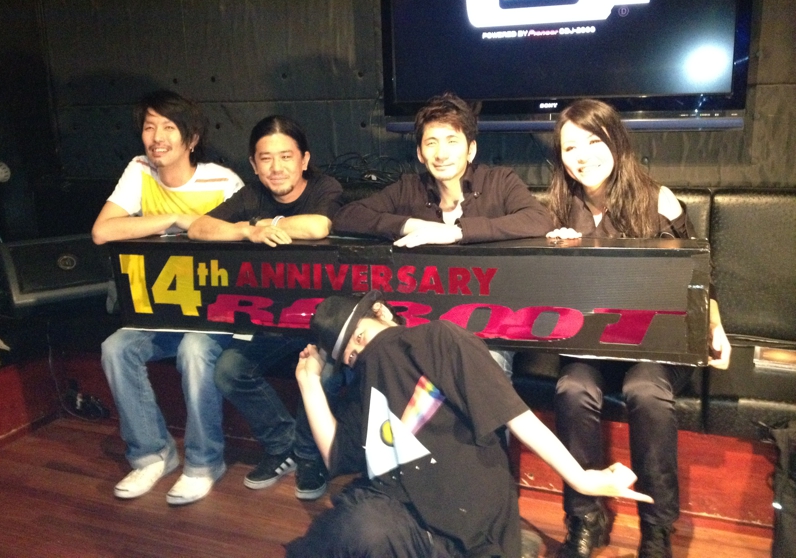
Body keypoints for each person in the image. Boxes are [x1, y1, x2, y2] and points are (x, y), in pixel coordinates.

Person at [286, 290, 652, 558]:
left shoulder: (437, 339)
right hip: (401, 513)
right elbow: (338, 454)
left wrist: (581, 478)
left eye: (362, 336)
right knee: (352, 529)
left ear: (381, 312)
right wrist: (308, 381)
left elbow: (514, 414)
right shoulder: (363, 386)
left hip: (470, 522)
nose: (364, 352)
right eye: (352, 354)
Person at [545, 99, 732, 558]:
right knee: (572, 388)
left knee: (646, 390)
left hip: (654, 345)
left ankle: (657, 528)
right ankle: (585, 518)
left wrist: (715, 325)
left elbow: (697, 277)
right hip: (591, 345)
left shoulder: (657, 199)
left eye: (594, 141)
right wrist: (554, 251)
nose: (583, 156)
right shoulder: (556, 209)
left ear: (616, 142)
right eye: (571, 148)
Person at [331, 91, 552, 377]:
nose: (441, 153)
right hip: (422, 323)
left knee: (482, 369)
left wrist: (457, 232)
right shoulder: (409, 188)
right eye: (431, 143)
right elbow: (346, 217)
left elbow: (538, 219)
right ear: (420, 153)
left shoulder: (500, 181)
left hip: (486, 326)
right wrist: (411, 225)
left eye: (452, 141)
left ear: (471, 150)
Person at [92, 89, 244, 505]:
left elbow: (243, 239)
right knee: (115, 348)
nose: (157, 138)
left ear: (191, 138)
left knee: (195, 349)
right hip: (159, 313)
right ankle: (152, 454)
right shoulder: (140, 170)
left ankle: (204, 462)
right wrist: (174, 218)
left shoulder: (222, 181)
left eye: (169, 127)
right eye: (149, 127)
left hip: (214, 316)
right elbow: (103, 231)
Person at [189, 115, 343, 500]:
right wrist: (247, 230)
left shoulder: (325, 186)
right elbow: (198, 228)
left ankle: (309, 455)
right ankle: (283, 445)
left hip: (321, 323)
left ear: (304, 159)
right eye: (266, 158)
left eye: (286, 156)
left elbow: (317, 227)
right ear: (254, 165)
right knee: (229, 370)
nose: (276, 167)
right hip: (271, 321)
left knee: (324, 376)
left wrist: (268, 224)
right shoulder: (251, 195)